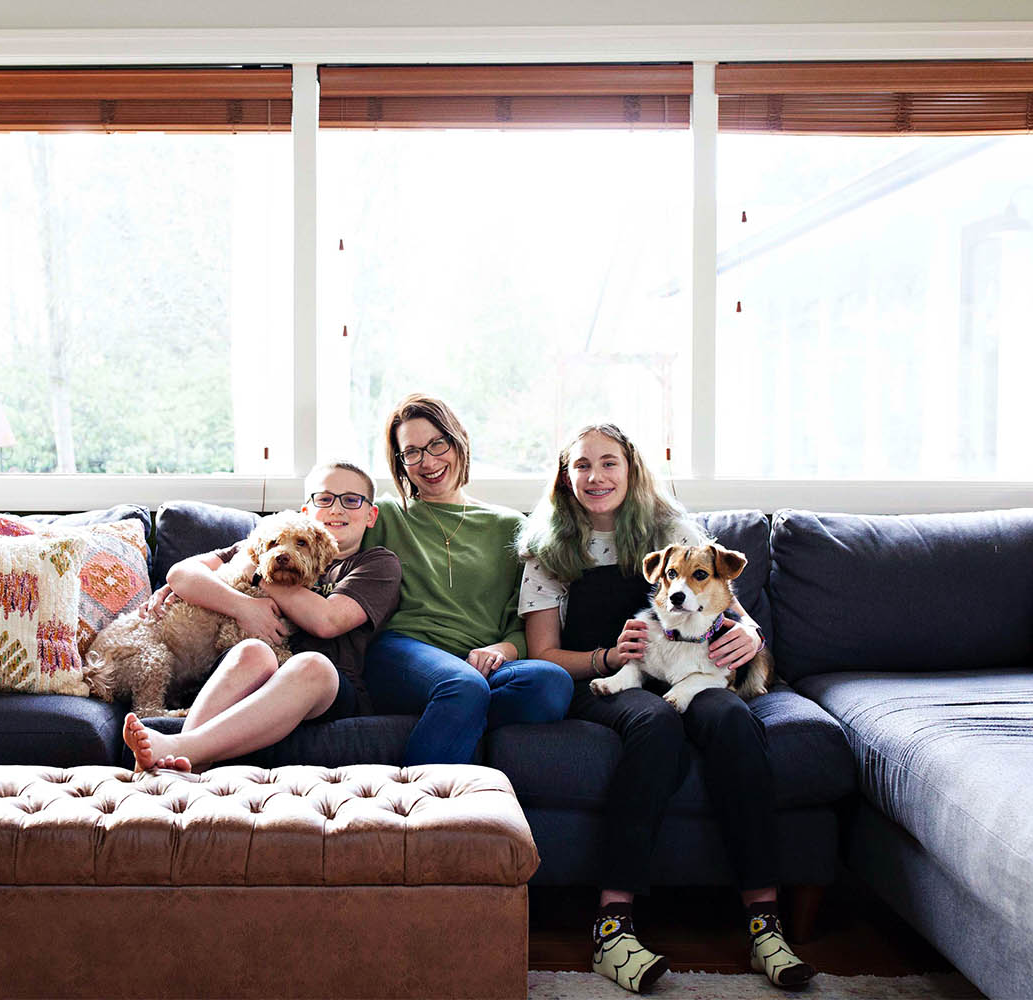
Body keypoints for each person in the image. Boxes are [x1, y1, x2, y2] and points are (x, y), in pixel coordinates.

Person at [517, 422, 815, 993]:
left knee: (732, 718)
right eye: (581, 465)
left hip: (689, 668)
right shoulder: (546, 548)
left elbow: (726, 605)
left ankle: (766, 924)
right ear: (564, 475)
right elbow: (544, 656)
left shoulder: (670, 529)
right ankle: (612, 928)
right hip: (605, 681)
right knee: (654, 723)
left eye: (609, 463)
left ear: (632, 469)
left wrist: (749, 637)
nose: (595, 476)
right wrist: (605, 657)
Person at [122, 460, 401, 772]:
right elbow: (181, 574)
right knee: (254, 651)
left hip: (326, 686)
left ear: (370, 515)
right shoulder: (267, 540)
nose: (336, 509)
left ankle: (179, 747)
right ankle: (183, 768)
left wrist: (259, 573)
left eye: (351, 500)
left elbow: (328, 621)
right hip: (245, 669)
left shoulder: (376, 564)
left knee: (312, 665)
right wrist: (243, 606)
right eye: (324, 499)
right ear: (306, 510)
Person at [359, 393, 573, 766]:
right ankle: (416, 812)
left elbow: (523, 623)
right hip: (403, 652)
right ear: (401, 463)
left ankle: (456, 712)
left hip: (480, 666)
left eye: (437, 444)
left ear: (459, 441)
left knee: (551, 684)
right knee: (461, 686)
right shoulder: (388, 515)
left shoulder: (509, 526)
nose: (428, 461)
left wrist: (502, 651)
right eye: (412, 453)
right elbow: (320, 542)